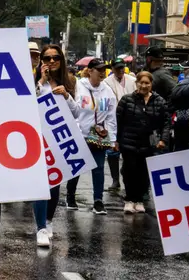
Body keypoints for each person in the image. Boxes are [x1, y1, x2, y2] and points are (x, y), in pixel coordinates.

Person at [33, 45, 78, 247]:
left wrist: (66, 96)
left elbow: (77, 113)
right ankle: (40, 227)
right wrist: (41, 81)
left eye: (55, 58)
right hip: (37, 138)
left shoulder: (69, 81)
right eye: (47, 58)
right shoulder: (35, 81)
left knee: (54, 183)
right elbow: (26, 103)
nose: (51, 61)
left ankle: (49, 221)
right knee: (41, 184)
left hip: (58, 138)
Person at [66, 59, 117, 215]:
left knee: (99, 168)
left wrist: (113, 138)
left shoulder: (107, 91)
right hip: (80, 134)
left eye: (104, 70)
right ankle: (70, 197)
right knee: (77, 167)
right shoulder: (78, 86)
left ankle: (98, 201)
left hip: (98, 136)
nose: (102, 72)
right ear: (90, 71)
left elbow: (111, 116)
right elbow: (73, 110)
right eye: (99, 69)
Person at [116, 71, 170, 214]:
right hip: (128, 143)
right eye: (141, 82)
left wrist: (163, 139)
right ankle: (129, 200)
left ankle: (139, 200)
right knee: (129, 172)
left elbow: (166, 122)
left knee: (143, 173)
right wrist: (116, 140)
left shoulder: (159, 101)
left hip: (149, 144)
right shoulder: (126, 100)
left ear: (152, 85)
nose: (144, 86)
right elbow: (118, 122)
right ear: (136, 83)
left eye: (147, 83)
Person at [103, 58, 136, 191]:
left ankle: (127, 176)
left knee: (129, 151)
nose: (120, 70)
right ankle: (115, 180)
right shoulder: (106, 82)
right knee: (112, 151)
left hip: (130, 121)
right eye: (117, 68)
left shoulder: (132, 81)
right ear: (112, 69)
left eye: (122, 67)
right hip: (113, 120)